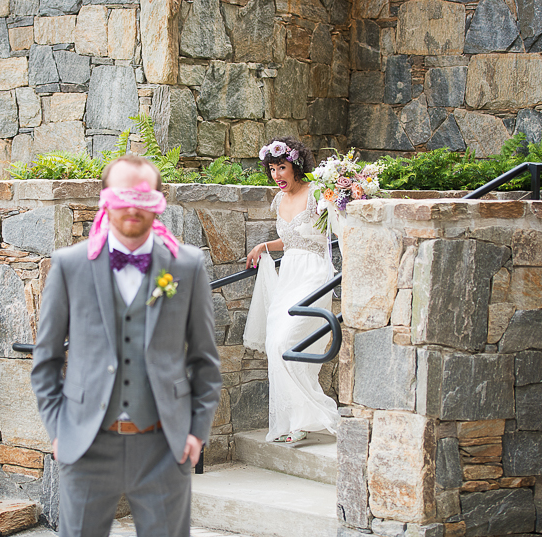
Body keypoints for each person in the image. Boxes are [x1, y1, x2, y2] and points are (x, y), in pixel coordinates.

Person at [30, 154, 222, 537]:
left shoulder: (187, 266)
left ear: (160, 201)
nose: (132, 206)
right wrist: (58, 429)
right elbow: (46, 360)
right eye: (122, 195)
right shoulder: (70, 265)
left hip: (164, 446)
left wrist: (196, 433)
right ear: (104, 199)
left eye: (143, 196)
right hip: (86, 446)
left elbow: (205, 361)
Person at [243, 137, 340, 444]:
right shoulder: (278, 200)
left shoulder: (317, 195)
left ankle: (315, 414)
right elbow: (288, 240)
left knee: (289, 341)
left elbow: (335, 229)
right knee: (276, 346)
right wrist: (263, 246)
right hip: (290, 276)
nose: (277, 176)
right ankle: (296, 421)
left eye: (281, 168)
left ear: (296, 166)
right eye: (272, 169)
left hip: (314, 273)